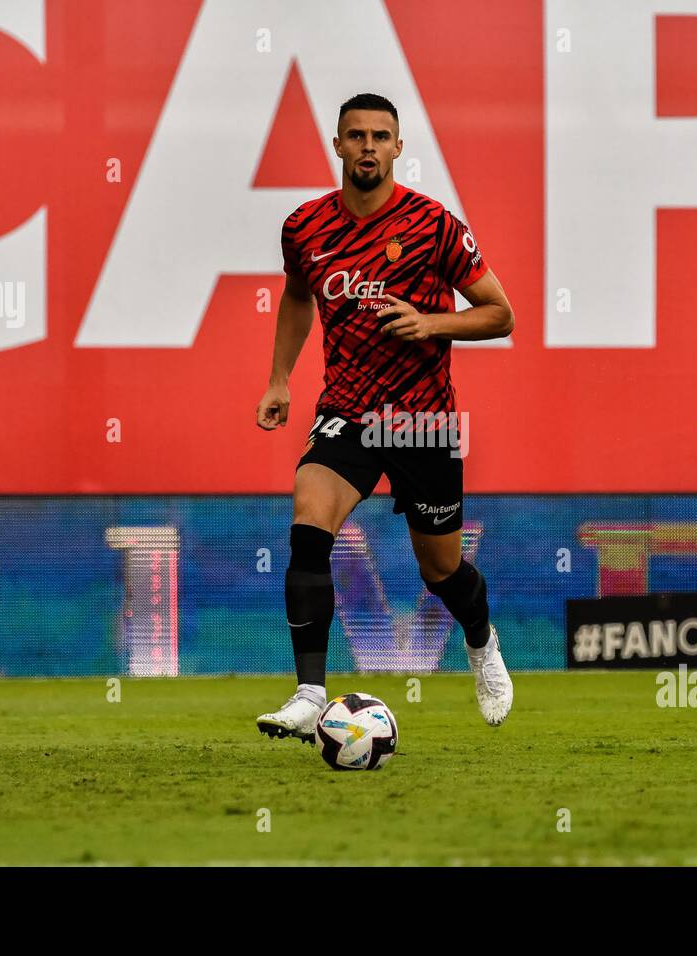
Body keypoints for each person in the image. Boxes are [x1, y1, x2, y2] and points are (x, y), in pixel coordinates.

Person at [253, 93, 516, 740]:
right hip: (346, 411)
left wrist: (429, 322)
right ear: (337, 146)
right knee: (309, 514)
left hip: (422, 421)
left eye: (380, 136)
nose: (368, 146)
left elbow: (500, 313)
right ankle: (311, 692)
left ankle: (481, 642)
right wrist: (280, 378)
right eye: (356, 136)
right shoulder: (305, 228)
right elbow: (296, 297)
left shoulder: (433, 225)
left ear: (399, 147)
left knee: (441, 572)